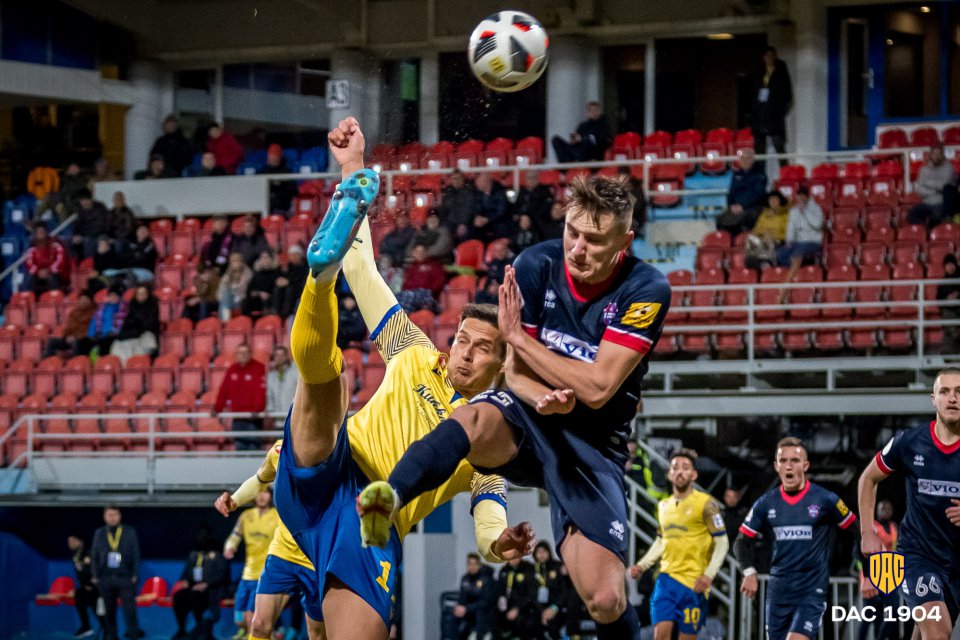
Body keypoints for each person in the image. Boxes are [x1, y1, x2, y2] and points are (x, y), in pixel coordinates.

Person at [361, 173, 672, 640]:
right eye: (571, 232)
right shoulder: (535, 264)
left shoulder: (646, 288)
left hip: (592, 445)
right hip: (529, 413)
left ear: (624, 242)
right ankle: (389, 499)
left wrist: (518, 339)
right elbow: (515, 374)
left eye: (593, 240)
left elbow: (599, 387)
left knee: (605, 599)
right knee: (471, 417)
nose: (577, 249)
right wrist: (536, 395)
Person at [272, 116, 534, 640]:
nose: (465, 354)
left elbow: (488, 518)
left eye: (482, 348)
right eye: (462, 340)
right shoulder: (414, 350)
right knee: (328, 380)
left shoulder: (485, 435)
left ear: (502, 365)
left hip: (370, 524)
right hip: (330, 469)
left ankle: (319, 283)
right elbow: (364, 271)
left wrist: (498, 545)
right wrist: (352, 164)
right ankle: (319, 279)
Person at [858, 367, 960, 640]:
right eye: (945, 391)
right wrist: (867, 532)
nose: (953, 398)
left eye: (959, 392)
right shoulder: (909, 441)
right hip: (918, 556)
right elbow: (868, 478)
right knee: (938, 632)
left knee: (925, 633)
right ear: (933, 399)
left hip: (955, 562)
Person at [735, 438, 857, 640]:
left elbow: (857, 531)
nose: (788, 466)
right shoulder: (766, 503)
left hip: (811, 591)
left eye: (795, 460)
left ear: (805, 465)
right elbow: (741, 541)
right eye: (783, 461)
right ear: (776, 466)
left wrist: (866, 570)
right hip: (778, 592)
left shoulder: (825, 499)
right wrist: (748, 571)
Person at [214, 441, 324, 640]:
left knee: (317, 634)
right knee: (258, 625)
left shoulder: (335, 448)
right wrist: (235, 500)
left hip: (317, 558)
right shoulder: (279, 450)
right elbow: (259, 480)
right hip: (282, 554)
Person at [630, 448, 728, 640]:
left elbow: (722, 541)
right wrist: (642, 565)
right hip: (665, 580)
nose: (680, 472)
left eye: (685, 467)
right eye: (675, 467)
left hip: (694, 582)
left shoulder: (706, 504)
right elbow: (661, 540)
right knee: (660, 636)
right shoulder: (663, 506)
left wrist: (709, 574)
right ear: (669, 474)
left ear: (694, 474)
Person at [224, 489, 280, 640]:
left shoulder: (277, 516)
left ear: (271, 496)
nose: (262, 496)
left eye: (265, 493)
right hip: (247, 575)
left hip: (265, 575)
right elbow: (234, 536)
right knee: (239, 619)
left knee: (251, 618)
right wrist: (230, 547)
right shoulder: (246, 516)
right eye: (259, 492)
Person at [90, 505, 141, 640]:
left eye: (115, 514)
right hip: (105, 578)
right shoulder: (99, 533)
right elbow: (94, 555)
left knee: (130, 611)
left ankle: (134, 636)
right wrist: (95, 576)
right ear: (104, 517)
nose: (112, 518)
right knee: (109, 613)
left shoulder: (129, 531)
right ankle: (112, 637)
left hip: (125, 578)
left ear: (120, 516)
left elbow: (136, 554)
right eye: (109, 515)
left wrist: (135, 574)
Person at [172, 530, 230, 640]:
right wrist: (185, 581)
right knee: (179, 597)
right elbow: (186, 573)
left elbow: (223, 575)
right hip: (193, 587)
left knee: (195, 597)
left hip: (211, 589)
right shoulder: (194, 554)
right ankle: (182, 629)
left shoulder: (218, 555)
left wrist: (206, 584)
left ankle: (201, 628)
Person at [856, 500, 900, 640]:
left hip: (888, 575)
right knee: (870, 615)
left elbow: (897, 550)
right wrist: (865, 575)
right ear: (877, 511)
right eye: (882, 508)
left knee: (894, 611)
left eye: (888, 507)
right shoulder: (871, 527)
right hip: (871, 575)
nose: (885, 510)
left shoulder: (894, 527)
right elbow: (858, 552)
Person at [212, 344, 266, 450]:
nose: (243, 355)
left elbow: (261, 391)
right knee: (240, 449)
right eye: (240, 353)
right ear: (236, 355)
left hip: (253, 418)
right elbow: (223, 391)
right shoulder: (232, 370)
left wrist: (257, 409)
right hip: (237, 418)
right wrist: (217, 408)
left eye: (246, 352)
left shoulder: (258, 368)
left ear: (250, 354)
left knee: (254, 450)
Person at [751, 46, 793, 163]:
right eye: (766, 56)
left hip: (774, 117)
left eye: (771, 56)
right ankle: (761, 173)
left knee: (779, 146)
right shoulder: (759, 72)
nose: (768, 58)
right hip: (760, 116)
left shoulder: (781, 72)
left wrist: (780, 110)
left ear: (775, 57)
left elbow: (786, 94)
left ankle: (785, 172)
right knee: (759, 150)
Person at [715, 148, 768, 236]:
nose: (745, 161)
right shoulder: (736, 174)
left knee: (746, 218)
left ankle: (743, 239)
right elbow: (731, 192)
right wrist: (731, 205)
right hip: (736, 207)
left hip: (753, 207)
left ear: (752, 160)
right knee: (720, 219)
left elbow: (758, 194)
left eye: (747, 158)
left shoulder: (760, 175)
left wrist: (743, 206)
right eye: (742, 159)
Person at [776, 186, 824, 278]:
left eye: (803, 196)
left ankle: (791, 278)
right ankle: (796, 272)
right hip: (797, 242)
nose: (801, 198)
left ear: (807, 197)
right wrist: (789, 241)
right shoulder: (793, 211)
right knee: (780, 254)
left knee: (798, 252)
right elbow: (791, 227)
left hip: (812, 241)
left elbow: (818, 225)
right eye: (799, 195)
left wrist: (805, 211)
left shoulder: (816, 209)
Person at [909, 144, 958, 228]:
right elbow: (919, 190)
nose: (937, 157)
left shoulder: (949, 168)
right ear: (931, 155)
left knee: (938, 218)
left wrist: (926, 183)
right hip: (926, 203)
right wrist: (936, 190)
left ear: (943, 155)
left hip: (941, 203)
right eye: (935, 154)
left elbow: (944, 186)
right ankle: (924, 232)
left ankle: (935, 231)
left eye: (939, 154)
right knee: (911, 215)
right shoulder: (924, 169)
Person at [109, 285, 160, 364]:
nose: (141, 295)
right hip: (132, 335)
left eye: (143, 293)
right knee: (118, 342)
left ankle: (136, 364)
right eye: (138, 293)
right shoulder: (131, 307)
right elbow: (127, 324)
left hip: (145, 335)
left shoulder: (152, 307)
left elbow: (149, 325)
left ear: (148, 295)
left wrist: (136, 328)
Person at [451, 553, 496, 640]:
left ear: (479, 565)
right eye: (470, 564)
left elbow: (485, 603)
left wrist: (466, 608)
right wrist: (459, 607)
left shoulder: (486, 580)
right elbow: (462, 597)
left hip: (483, 615)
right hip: (469, 614)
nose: (472, 566)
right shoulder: (465, 579)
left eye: (475, 564)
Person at [496, 558, 540, 639]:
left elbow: (531, 594)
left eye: (515, 556)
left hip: (525, 606)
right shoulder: (504, 570)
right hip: (509, 605)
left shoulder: (528, 569)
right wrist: (502, 601)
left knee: (524, 621)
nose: (513, 559)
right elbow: (501, 589)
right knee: (495, 615)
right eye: (510, 557)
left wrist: (517, 608)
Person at [79, 284, 128, 357]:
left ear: (119, 297)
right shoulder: (102, 308)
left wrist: (116, 332)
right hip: (100, 335)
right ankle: (83, 362)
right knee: (82, 342)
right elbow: (94, 321)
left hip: (114, 335)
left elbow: (125, 323)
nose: (113, 297)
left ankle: (103, 362)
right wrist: (91, 335)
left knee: (104, 343)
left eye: (115, 296)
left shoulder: (123, 308)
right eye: (111, 295)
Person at [68, 534, 101, 639]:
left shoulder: (89, 551)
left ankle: (107, 627)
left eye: (73, 540)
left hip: (97, 586)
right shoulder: (76, 555)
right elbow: (81, 573)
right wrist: (84, 585)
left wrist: (91, 584)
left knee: (93, 601)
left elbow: (96, 570)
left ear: (80, 541)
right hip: (86, 586)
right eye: (69, 541)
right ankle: (86, 627)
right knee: (79, 594)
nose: (70, 544)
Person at [532, 541, 567, 639]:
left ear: (549, 552)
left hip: (557, 607)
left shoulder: (558, 566)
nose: (541, 554)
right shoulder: (533, 570)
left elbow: (564, 591)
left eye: (544, 551)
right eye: (539, 552)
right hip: (540, 608)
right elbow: (532, 593)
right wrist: (543, 612)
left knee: (552, 624)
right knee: (531, 622)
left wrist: (554, 608)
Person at [45, 291, 95, 357]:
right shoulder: (73, 313)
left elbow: (91, 331)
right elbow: (69, 328)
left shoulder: (94, 313)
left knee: (75, 342)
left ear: (90, 301)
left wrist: (75, 337)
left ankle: (76, 361)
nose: (83, 301)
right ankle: (50, 361)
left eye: (85, 299)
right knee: (52, 341)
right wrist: (66, 337)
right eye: (81, 299)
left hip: (84, 340)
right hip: (70, 338)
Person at [24, 223, 69, 295]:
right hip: (38, 273)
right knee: (29, 279)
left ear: (46, 232)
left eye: (42, 231)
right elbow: (29, 262)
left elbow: (60, 260)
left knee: (53, 279)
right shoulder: (32, 247)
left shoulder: (55, 244)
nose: (40, 233)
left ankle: (55, 298)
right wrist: (38, 272)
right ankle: (30, 299)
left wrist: (49, 270)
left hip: (53, 272)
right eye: (38, 232)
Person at [71, 189, 111, 259]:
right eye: (81, 201)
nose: (83, 203)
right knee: (70, 241)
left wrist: (84, 235)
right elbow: (77, 225)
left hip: (101, 234)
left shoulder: (99, 208)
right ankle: (74, 264)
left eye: (85, 200)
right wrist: (76, 235)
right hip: (85, 235)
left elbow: (101, 226)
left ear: (90, 199)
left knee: (89, 242)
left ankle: (89, 263)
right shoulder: (80, 210)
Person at [471, 172, 511, 242]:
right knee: (473, 227)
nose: (477, 185)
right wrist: (477, 217)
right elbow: (477, 208)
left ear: (487, 182)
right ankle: (478, 247)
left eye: (479, 182)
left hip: (498, 220)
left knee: (501, 227)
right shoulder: (479, 193)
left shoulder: (500, 191)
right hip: (485, 220)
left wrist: (487, 219)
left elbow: (501, 211)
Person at [273, 244, 310, 319]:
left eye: (295, 255)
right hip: (288, 289)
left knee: (290, 289)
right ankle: (277, 312)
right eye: (291, 256)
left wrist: (289, 282)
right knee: (277, 289)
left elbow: (302, 281)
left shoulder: (306, 266)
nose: (293, 258)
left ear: (300, 255)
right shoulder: (288, 266)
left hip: (301, 290)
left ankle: (286, 313)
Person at [260, 144, 297, 213]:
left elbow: (293, 190)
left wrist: (280, 184)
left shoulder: (286, 172)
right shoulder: (262, 172)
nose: (273, 159)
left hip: (281, 206)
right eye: (271, 156)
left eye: (275, 157)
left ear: (279, 158)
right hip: (264, 205)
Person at [242, 250, 280, 318]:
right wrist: (259, 293)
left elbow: (277, 290)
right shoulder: (256, 275)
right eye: (262, 257)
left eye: (267, 257)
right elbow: (249, 291)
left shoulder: (277, 273)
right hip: (257, 300)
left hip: (271, 301)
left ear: (271, 259)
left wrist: (268, 295)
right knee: (244, 302)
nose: (264, 259)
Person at [266, 346, 299, 421]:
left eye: (282, 355)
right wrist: (270, 411)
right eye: (277, 355)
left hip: (293, 418)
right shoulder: (271, 376)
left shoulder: (295, 372)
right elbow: (270, 396)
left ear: (287, 357)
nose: (279, 358)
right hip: (277, 418)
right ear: (274, 358)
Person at [218, 252, 253, 321]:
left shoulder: (247, 273)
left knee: (225, 301)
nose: (235, 263)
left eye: (237, 260)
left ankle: (225, 322)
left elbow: (246, 291)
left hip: (241, 300)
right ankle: (225, 321)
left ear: (241, 262)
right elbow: (222, 289)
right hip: (229, 300)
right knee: (225, 297)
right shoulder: (228, 274)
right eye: (233, 261)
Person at [937, 254, 960, 355]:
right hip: (950, 315)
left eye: (952, 264)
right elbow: (939, 301)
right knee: (946, 313)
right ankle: (957, 334)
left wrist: (958, 295)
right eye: (948, 265)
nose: (950, 267)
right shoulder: (943, 284)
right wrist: (947, 299)